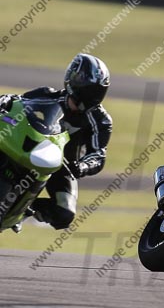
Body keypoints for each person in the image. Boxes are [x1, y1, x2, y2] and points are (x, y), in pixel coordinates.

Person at [0, 53, 112, 230]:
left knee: (64, 213)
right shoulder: (46, 95)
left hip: (62, 166)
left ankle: (22, 212)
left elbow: (98, 155)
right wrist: (5, 101)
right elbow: (18, 103)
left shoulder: (101, 121)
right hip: (27, 145)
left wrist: (82, 166)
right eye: (82, 79)